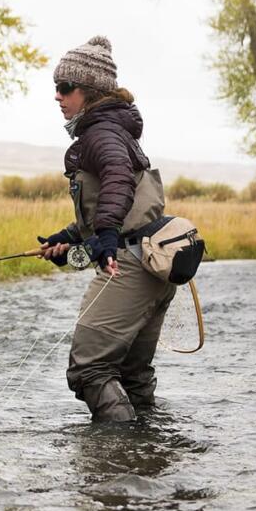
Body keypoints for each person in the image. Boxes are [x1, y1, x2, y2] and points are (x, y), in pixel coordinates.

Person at [37, 35, 175, 423]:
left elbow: (117, 181)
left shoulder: (101, 135)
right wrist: (70, 237)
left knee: (90, 370)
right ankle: (148, 459)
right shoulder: (117, 131)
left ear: (90, 92)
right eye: (56, 88)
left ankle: (112, 462)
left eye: (65, 88)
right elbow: (118, 204)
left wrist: (108, 239)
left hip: (128, 265)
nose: (57, 97)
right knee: (132, 376)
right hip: (153, 266)